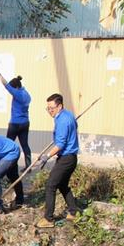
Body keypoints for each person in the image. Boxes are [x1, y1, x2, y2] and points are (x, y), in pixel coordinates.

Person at [36, 93, 80, 228]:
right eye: (48, 108)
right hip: (71, 158)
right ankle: (73, 212)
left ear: (59, 106)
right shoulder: (68, 115)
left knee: (50, 186)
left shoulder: (62, 120)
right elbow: (74, 127)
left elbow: (60, 144)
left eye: (52, 108)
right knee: (62, 185)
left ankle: (48, 219)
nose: (50, 111)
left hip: (66, 158)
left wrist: (46, 156)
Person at [0, 69, 32, 168]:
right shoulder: (27, 94)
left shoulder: (17, 94)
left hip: (15, 124)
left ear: (16, 87)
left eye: (13, 88)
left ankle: (5, 165)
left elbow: (6, 85)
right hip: (25, 123)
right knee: (25, 145)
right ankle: (28, 166)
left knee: (7, 145)